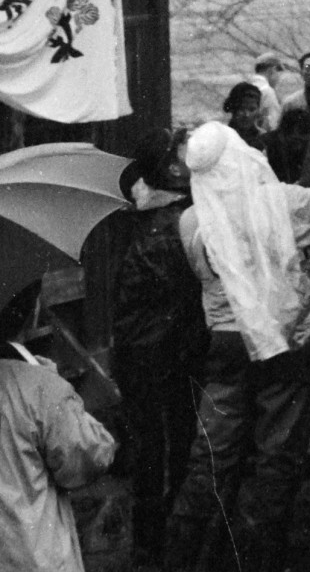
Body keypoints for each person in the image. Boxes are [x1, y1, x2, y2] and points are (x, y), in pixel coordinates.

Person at [163, 120, 310, 572]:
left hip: (224, 343)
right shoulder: (278, 201)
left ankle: (182, 558)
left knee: (212, 454)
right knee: (277, 453)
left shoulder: (190, 220)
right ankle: (258, 556)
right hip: (279, 340)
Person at [112, 129, 207, 567]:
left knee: (152, 450)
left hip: (144, 353)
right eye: (183, 153)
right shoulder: (174, 225)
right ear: (170, 168)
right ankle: (160, 546)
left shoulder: (151, 212)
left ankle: (150, 544)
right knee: (169, 448)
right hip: (166, 354)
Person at [0, 279, 116, 571]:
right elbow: (91, 455)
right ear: (33, 309)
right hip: (34, 558)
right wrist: (58, 392)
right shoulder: (39, 387)